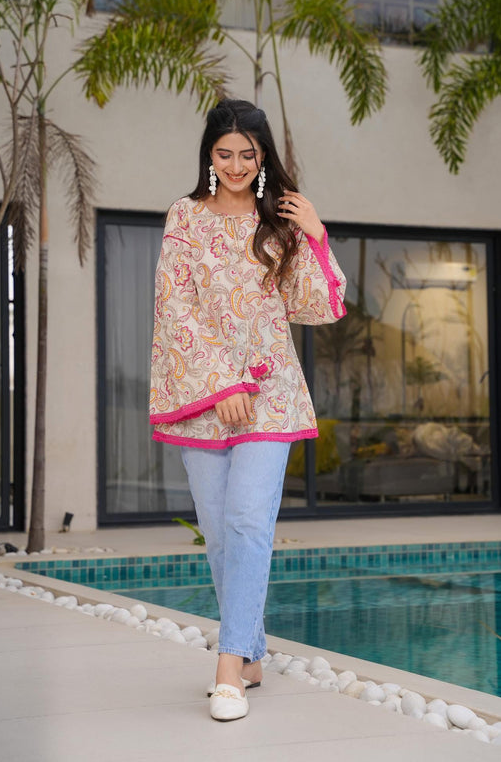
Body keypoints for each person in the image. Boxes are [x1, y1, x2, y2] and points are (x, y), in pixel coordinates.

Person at [149, 98, 346, 721]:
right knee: (220, 535)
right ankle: (253, 652)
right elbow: (175, 306)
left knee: (247, 524)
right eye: (224, 154)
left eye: (247, 155)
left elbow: (315, 307)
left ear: (263, 158)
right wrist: (223, 382)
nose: (235, 166)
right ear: (209, 155)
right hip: (204, 397)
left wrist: (315, 234)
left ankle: (229, 667)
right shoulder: (185, 216)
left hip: (272, 395)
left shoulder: (279, 222)